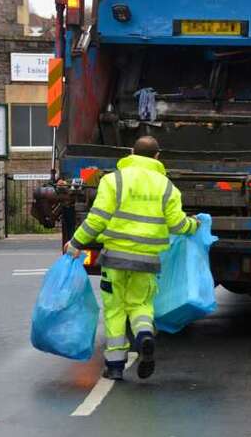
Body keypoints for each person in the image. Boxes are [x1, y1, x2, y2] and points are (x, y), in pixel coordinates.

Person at [65, 136, 199, 381]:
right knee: (140, 305)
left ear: (130, 152)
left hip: (114, 259)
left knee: (115, 310)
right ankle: (145, 334)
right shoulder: (167, 187)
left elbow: (97, 219)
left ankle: (115, 367)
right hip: (146, 261)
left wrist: (75, 243)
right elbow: (178, 224)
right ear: (157, 157)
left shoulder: (112, 180)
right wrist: (194, 226)